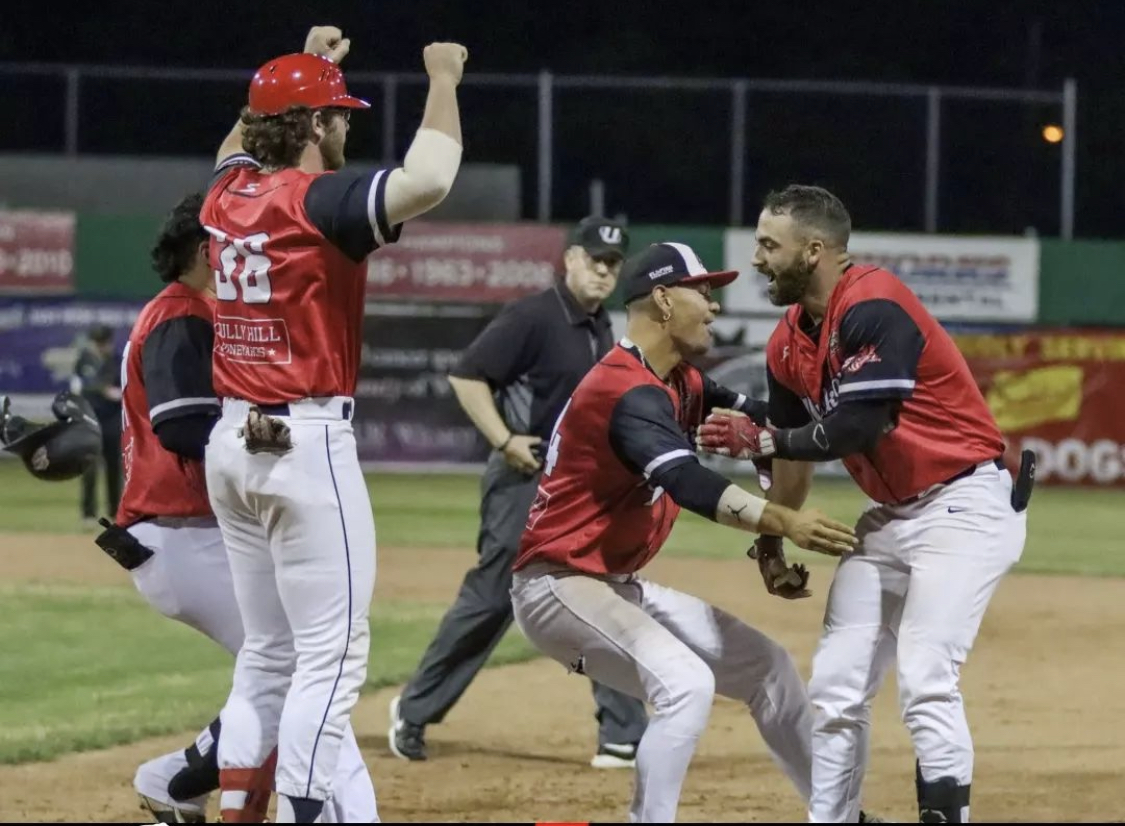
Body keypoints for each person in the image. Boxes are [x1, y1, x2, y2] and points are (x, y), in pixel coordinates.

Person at [199, 25, 467, 824]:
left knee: (268, 654)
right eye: (339, 113)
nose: (349, 125)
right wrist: (444, 78)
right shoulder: (315, 201)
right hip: (304, 445)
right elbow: (429, 180)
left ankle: (240, 805)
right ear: (313, 126)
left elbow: (236, 142)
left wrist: (307, 69)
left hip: (232, 445)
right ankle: (304, 812)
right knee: (331, 659)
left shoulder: (226, 195)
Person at [697, 184, 1030, 824]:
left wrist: (760, 435)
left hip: (965, 505)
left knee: (927, 677)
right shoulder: (786, 341)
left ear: (814, 249)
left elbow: (858, 426)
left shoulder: (875, 303)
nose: (757, 257)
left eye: (769, 243)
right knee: (835, 686)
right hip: (890, 518)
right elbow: (793, 459)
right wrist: (769, 541)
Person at [509, 240, 859, 823]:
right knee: (686, 686)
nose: (715, 306)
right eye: (703, 292)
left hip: (609, 584)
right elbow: (689, 485)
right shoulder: (624, 390)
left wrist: (799, 444)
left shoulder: (682, 382)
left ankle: (842, 817)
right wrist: (783, 521)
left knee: (767, 667)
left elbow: (774, 423)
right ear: (664, 301)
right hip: (557, 589)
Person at [91, 190, 377, 824]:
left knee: (279, 671)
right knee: (310, 670)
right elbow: (181, 425)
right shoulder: (180, 314)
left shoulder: (194, 313)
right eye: (227, 239)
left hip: (190, 534)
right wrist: (253, 438)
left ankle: (172, 779)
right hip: (180, 536)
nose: (245, 249)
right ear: (204, 250)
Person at [388, 216, 649, 768]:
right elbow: (467, 375)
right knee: (491, 601)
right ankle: (413, 711)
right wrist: (503, 438)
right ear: (571, 258)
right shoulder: (533, 316)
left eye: (612, 263)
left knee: (598, 593)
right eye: (594, 259)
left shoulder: (602, 329)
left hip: (578, 489)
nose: (603, 271)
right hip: (523, 482)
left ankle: (622, 732)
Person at [71, 322, 123, 525]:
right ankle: (89, 514)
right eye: (98, 342)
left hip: (112, 419)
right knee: (89, 468)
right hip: (90, 419)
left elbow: (124, 387)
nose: (101, 346)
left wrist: (116, 393)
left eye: (104, 342)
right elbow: (86, 383)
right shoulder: (85, 360)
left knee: (113, 468)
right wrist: (104, 389)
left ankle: (115, 511)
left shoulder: (118, 361)